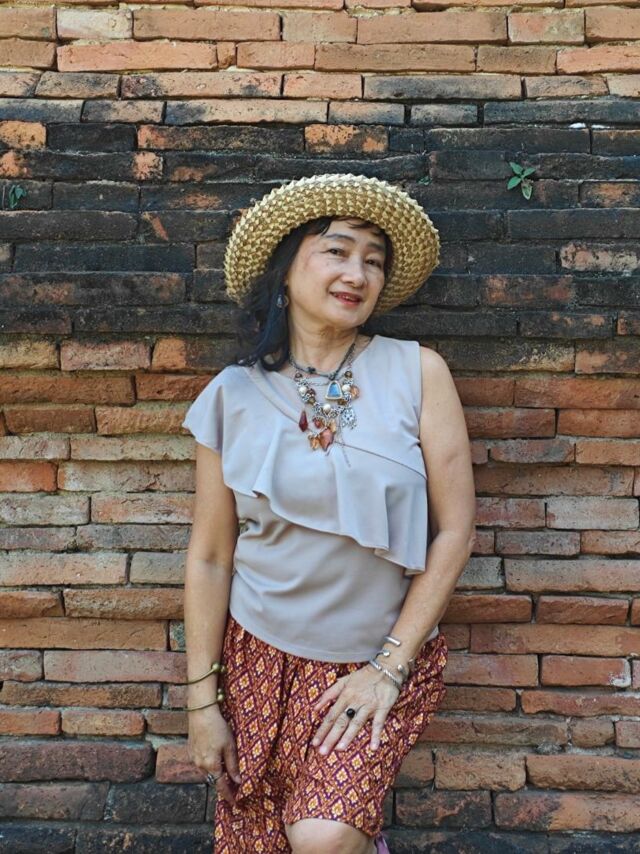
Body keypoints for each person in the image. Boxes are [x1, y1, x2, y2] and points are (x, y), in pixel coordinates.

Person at [180, 173, 476, 854]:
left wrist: (389, 668)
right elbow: (211, 556)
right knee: (260, 842)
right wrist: (201, 702)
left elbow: (456, 531)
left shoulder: (417, 372)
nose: (357, 274)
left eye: (374, 260)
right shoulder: (232, 394)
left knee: (323, 836)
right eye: (337, 251)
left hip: (373, 658)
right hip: (256, 657)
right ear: (286, 270)